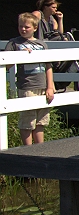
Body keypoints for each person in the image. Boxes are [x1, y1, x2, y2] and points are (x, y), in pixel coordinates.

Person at [5, 13, 56, 145]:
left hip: (42, 86)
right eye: (20, 26)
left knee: (41, 120)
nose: (23, 29)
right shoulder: (14, 43)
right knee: (28, 119)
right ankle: (27, 148)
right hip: (27, 86)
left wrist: (50, 86)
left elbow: (48, 67)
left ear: (34, 28)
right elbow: (6, 65)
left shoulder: (41, 44)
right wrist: (18, 55)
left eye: (26, 27)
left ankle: (40, 148)